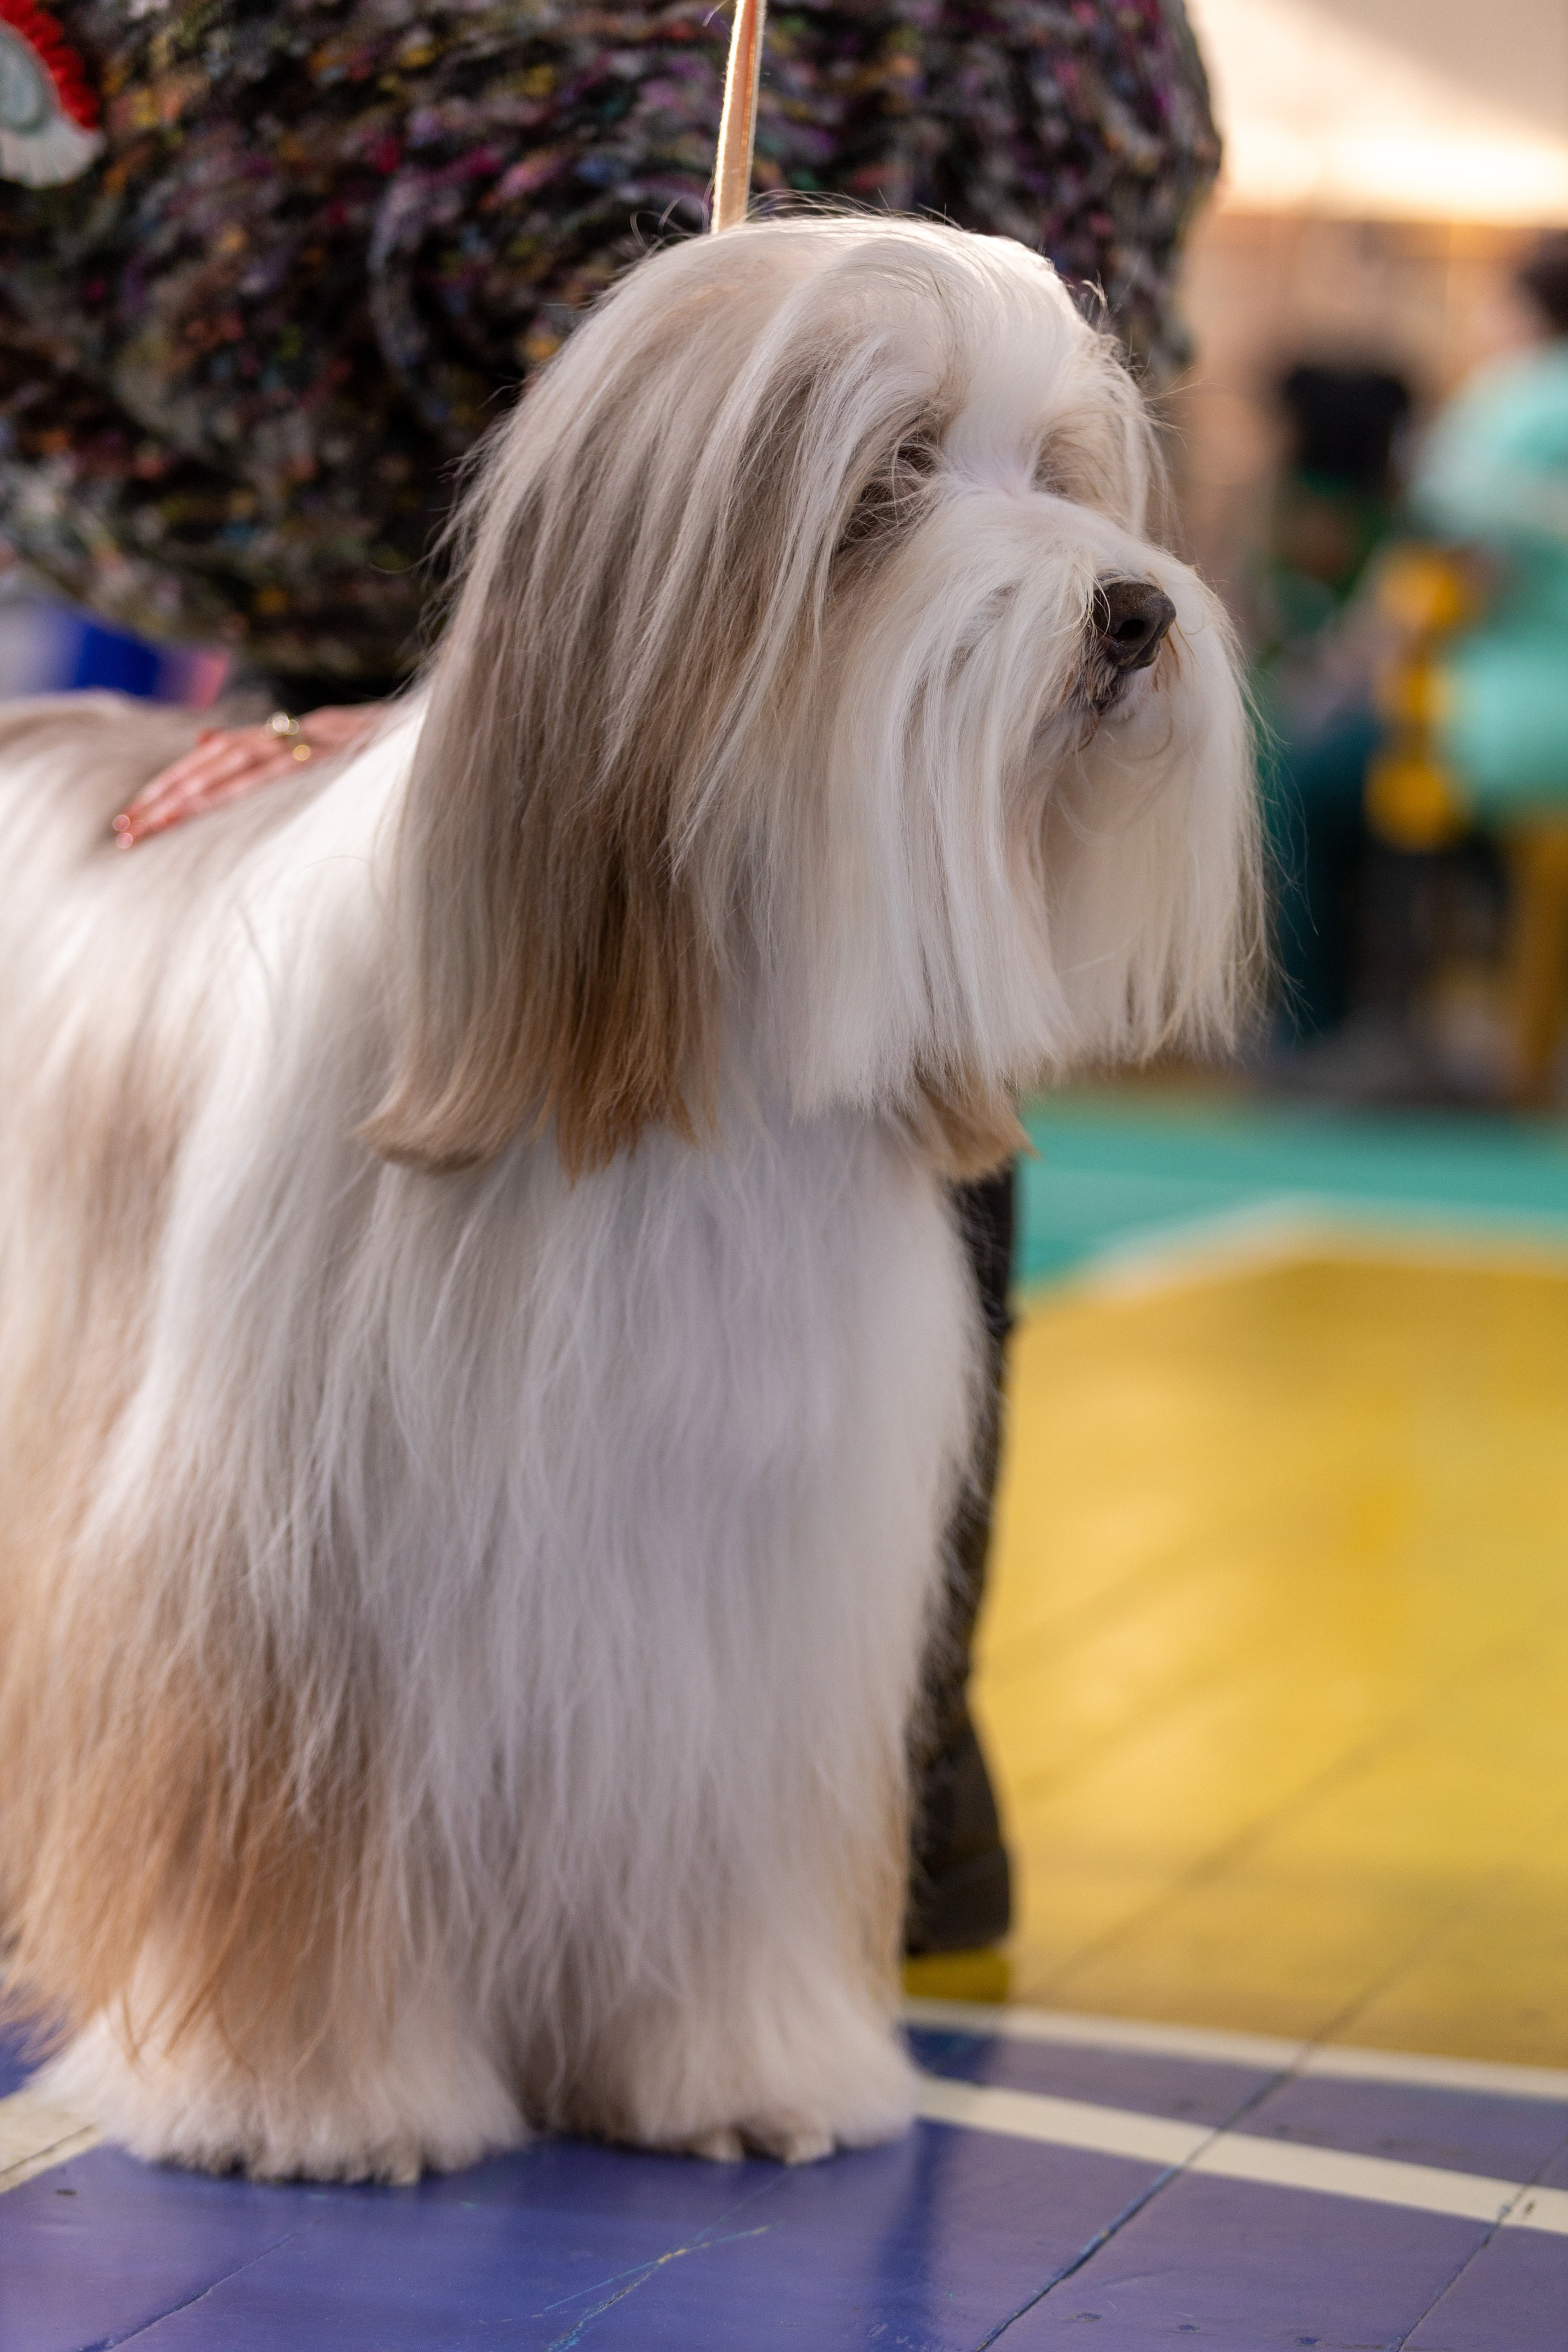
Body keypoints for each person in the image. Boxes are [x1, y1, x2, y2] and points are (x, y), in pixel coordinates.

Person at [0, 0, 1221, 1954]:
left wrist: (448, 730)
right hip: (411, 568)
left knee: (825, 993)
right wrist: (358, 723)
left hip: (741, 378)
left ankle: (759, 1871)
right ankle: (270, 1867)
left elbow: (679, 494)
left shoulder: (520, 103)